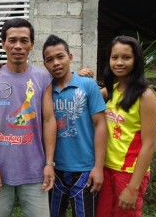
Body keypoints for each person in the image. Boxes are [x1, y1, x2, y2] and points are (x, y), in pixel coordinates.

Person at [0, 18, 57, 217]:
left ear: (31, 45)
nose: (18, 46)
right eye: (12, 40)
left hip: (35, 169)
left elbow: (49, 121)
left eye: (24, 40)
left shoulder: (43, 78)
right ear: (3, 44)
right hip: (0, 169)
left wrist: (49, 164)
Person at [40, 34, 107, 217]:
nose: (56, 63)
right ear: (44, 64)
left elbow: (101, 125)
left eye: (60, 56)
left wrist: (98, 167)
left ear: (70, 57)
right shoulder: (44, 90)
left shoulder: (87, 86)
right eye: (49, 59)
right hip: (55, 168)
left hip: (85, 169)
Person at [96, 36, 156, 217]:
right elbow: (85, 96)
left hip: (129, 173)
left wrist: (133, 188)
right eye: (115, 58)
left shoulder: (145, 96)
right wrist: (81, 76)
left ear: (136, 60)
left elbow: (149, 144)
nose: (119, 62)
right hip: (106, 169)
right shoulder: (109, 91)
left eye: (126, 57)